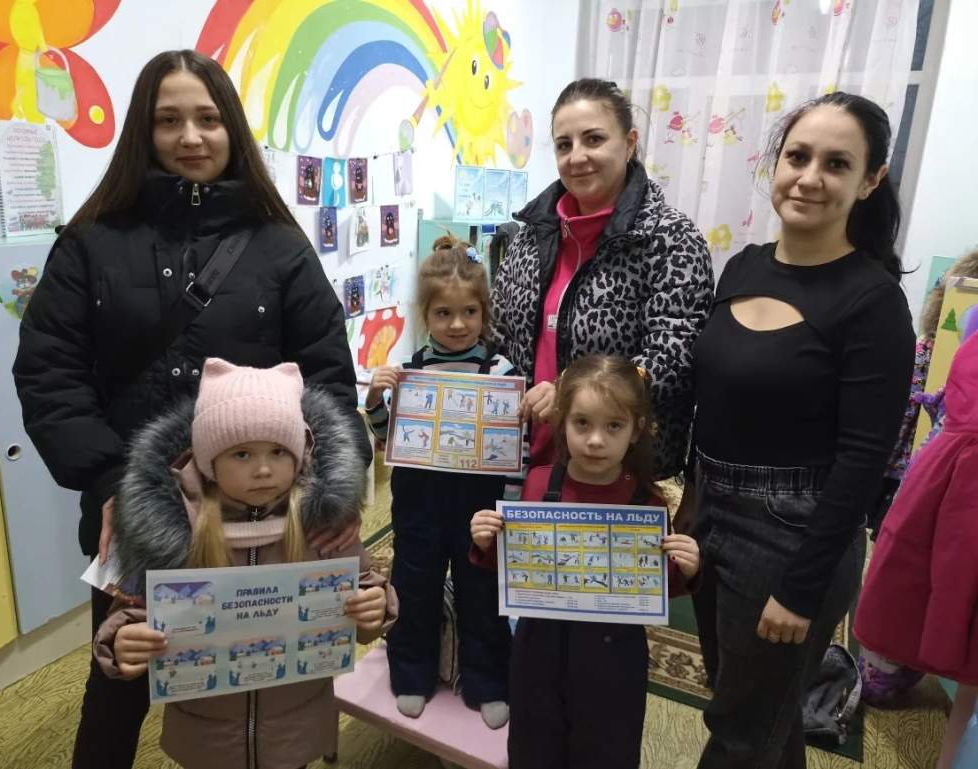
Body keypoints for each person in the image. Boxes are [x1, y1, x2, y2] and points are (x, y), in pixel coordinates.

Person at [12, 49, 368, 769]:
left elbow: (328, 377)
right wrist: (111, 482)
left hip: (262, 507)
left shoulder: (280, 247)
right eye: (168, 120)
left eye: (208, 118)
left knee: (265, 676)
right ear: (144, 132)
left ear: (231, 127)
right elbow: (50, 375)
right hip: (137, 512)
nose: (190, 137)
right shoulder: (90, 243)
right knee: (118, 677)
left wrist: (334, 492)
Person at [690, 92, 915, 768]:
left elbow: (864, 460)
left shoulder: (873, 302)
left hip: (790, 538)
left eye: (836, 163)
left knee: (738, 731)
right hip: (711, 513)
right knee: (761, 713)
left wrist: (802, 586)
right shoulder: (744, 265)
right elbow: (715, 400)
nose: (809, 177)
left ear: (870, 181)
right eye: (798, 156)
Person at [93, 358, 397, 769]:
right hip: (206, 737)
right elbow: (129, 611)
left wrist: (373, 608)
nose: (264, 469)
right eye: (241, 453)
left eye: (279, 451)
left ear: (301, 451)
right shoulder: (168, 529)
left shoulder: (324, 527)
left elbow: (364, 598)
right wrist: (123, 641)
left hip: (296, 729)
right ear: (208, 460)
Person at [470, 355, 700, 768]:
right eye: (582, 423)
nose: (595, 440)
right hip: (538, 649)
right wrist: (488, 542)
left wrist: (686, 567)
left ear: (636, 431)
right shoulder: (538, 483)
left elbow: (654, 588)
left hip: (613, 661)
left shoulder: (648, 504)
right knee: (533, 748)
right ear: (561, 423)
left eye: (613, 426)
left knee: (607, 751)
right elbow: (516, 569)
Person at [491, 77, 713, 481]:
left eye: (594, 139)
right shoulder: (530, 235)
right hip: (528, 463)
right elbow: (498, 334)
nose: (577, 157)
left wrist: (573, 392)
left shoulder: (670, 238)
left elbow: (674, 357)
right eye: (564, 145)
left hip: (619, 473)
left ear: (629, 143)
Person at [365, 236, 517, 728]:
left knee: (483, 591)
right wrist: (375, 402)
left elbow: (517, 443)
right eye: (443, 313)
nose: (457, 324)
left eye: (469, 312)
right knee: (414, 587)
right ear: (425, 315)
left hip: (480, 506)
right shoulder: (410, 371)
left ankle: (487, 680)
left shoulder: (501, 371)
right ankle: (411, 673)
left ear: (484, 312)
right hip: (419, 505)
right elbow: (387, 441)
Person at [857, 247, 978, 705]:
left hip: (937, 469)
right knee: (907, 569)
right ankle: (889, 667)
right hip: (928, 469)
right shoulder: (946, 333)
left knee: (929, 575)